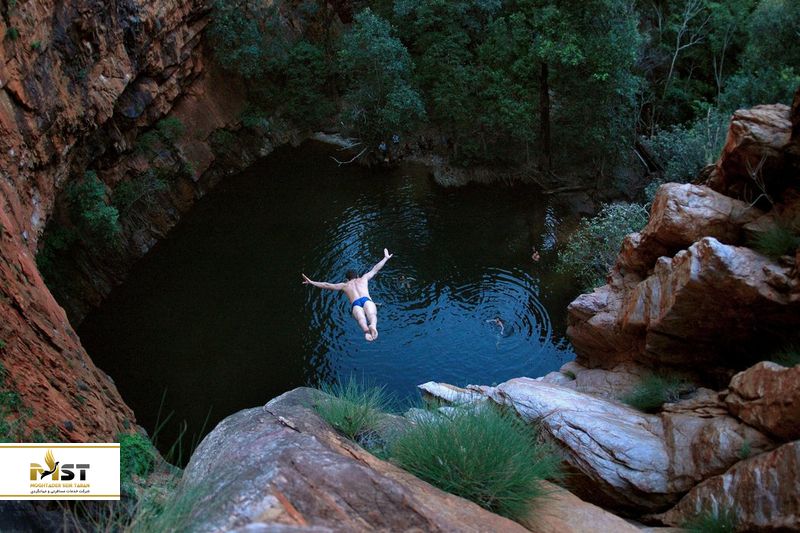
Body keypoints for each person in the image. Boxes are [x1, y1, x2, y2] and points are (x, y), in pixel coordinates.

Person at [302, 248, 393, 341]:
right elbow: (375, 269)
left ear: (347, 279)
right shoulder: (363, 278)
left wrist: (311, 282)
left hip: (356, 304)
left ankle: (366, 331)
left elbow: (327, 285)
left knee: (361, 319)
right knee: (372, 315)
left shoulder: (344, 285)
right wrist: (385, 258)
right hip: (366, 300)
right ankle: (373, 326)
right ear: (357, 276)